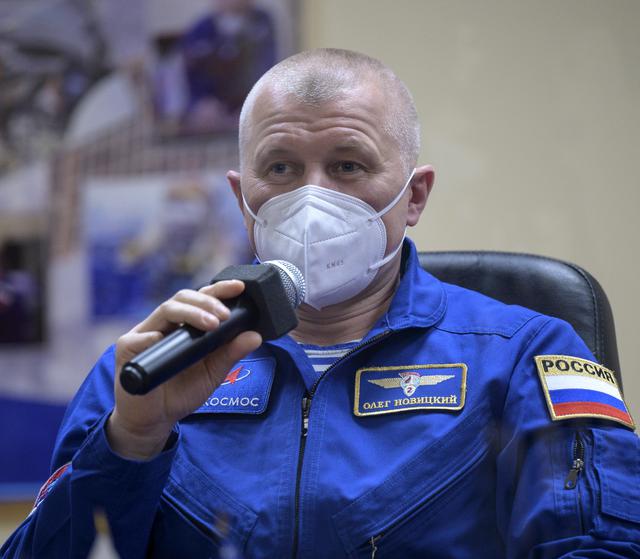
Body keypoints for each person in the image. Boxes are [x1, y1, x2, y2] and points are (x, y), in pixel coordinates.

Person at [3, 48, 640, 558]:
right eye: (280, 168)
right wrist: (133, 438)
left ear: (414, 197)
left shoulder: (525, 353)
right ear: (242, 197)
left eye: (348, 166)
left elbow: (602, 546)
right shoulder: (153, 363)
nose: (311, 198)